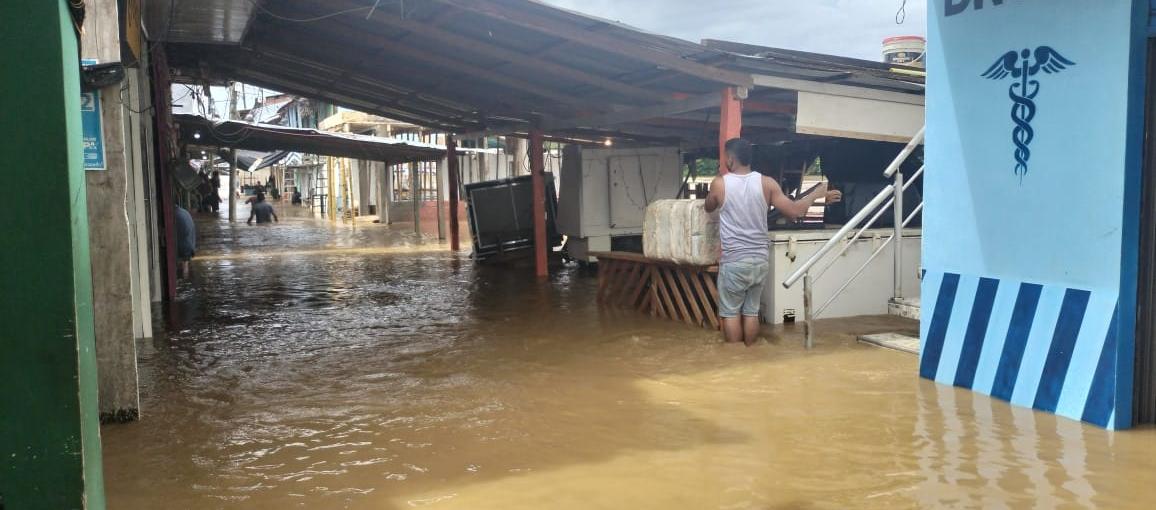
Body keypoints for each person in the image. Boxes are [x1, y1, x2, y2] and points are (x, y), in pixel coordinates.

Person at [704, 138, 842, 345]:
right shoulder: (767, 183)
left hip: (734, 260)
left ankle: (734, 357)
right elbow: (795, 212)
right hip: (759, 260)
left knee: (731, 313)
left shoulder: (720, 184)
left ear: (730, 159)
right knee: (751, 312)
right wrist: (816, 194)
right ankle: (751, 352)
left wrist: (715, 190)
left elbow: (708, 206)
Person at [174, 204, 196, 278]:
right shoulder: (184, 212)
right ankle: (185, 278)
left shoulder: (176, 215)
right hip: (190, 245)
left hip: (184, 246)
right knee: (185, 266)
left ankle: (184, 279)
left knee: (183, 270)